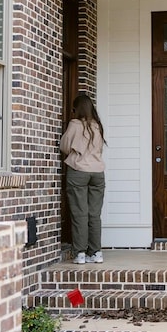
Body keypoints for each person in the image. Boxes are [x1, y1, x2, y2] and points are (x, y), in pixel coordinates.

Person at [60, 93, 106, 264]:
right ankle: (96, 252)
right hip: (98, 172)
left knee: (80, 213)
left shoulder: (74, 124)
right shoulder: (97, 126)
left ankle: (80, 253)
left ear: (77, 109)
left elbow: (64, 146)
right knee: (94, 214)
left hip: (78, 170)